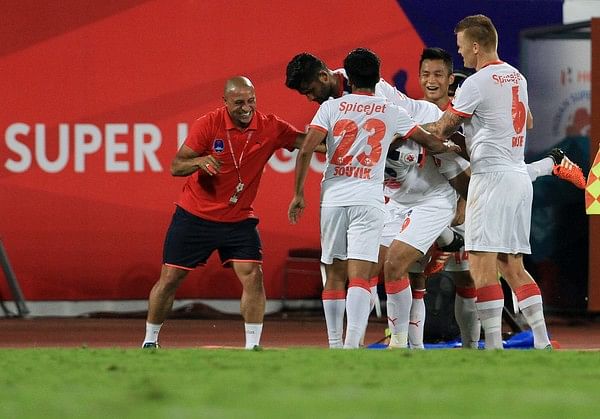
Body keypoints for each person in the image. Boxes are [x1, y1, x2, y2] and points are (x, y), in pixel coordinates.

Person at [287, 48, 459, 349]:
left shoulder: (373, 93)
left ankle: (375, 342)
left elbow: (393, 133)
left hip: (420, 133)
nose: (310, 98)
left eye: (310, 91)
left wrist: (448, 148)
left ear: (325, 77)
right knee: (372, 271)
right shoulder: (337, 101)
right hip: (396, 186)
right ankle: (364, 343)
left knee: (387, 265)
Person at [141, 76, 320, 349]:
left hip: (238, 219)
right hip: (195, 216)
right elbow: (176, 166)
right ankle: (150, 341)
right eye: (238, 103)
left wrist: (345, 134)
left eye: (251, 101)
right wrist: (200, 161)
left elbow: (310, 143)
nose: (246, 108)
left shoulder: (270, 127)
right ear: (224, 102)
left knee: (253, 275)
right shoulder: (208, 124)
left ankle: (252, 346)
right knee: (170, 279)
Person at [421, 15, 562, 349]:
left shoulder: (475, 82)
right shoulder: (517, 76)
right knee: (512, 265)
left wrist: (400, 133)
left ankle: (495, 347)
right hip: (517, 178)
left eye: (461, 49)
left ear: (474, 45)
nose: (462, 57)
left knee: (482, 266)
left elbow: (440, 129)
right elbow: (526, 120)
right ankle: (543, 342)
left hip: (491, 179)